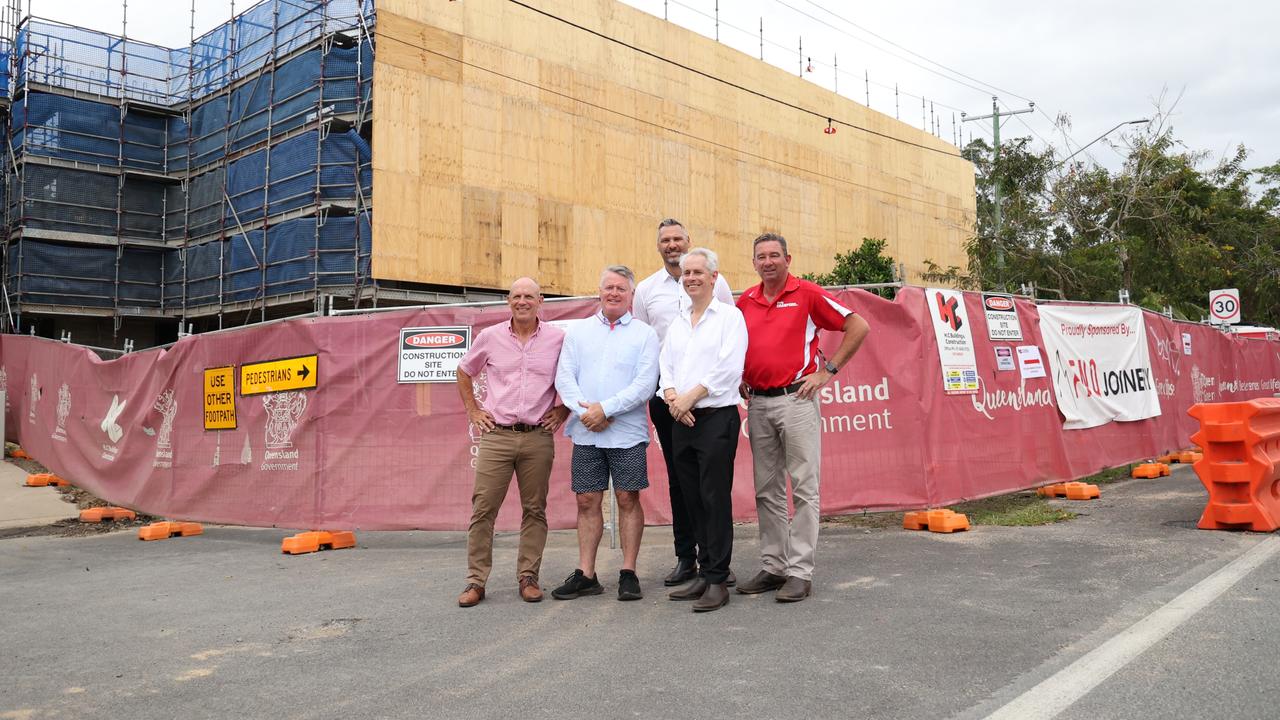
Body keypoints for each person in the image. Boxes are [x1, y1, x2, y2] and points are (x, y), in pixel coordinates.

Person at [736, 233, 870, 603]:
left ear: (787, 259)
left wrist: (828, 370)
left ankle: (800, 571)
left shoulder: (806, 293)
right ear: (754, 262)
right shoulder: (745, 301)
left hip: (796, 399)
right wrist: (741, 379)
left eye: (774, 255)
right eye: (761, 256)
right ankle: (773, 566)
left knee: (804, 488)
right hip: (758, 404)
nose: (768, 262)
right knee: (767, 490)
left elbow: (859, 326)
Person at [455, 277, 571, 608]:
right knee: (483, 509)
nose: (523, 301)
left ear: (541, 301)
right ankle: (476, 581)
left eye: (529, 296)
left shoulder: (558, 340)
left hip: (537, 437)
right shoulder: (490, 337)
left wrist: (562, 409)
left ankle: (528, 577)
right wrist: (474, 411)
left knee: (535, 509)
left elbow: (570, 377)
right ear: (508, 301)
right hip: (497, 436)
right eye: (517, 296)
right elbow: (464, 372)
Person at [633, 218, 735, 587]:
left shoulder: (715, 282)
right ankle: (685, 557)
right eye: (666, 240)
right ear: (658, 246)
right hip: (668, 397)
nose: (672, 245)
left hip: (709, 398)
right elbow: (647, 346)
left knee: (711, 483)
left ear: (689, 243)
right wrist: (672, 396)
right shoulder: (645, 290)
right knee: (681, 481)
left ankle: (716, 563)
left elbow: (725, 333)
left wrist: (693, 395)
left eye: (678, 239)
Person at [553, 265, 660, 602]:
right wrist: (588, 412)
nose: (614, 293)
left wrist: (606, 408)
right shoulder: (578, 332)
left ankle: (628, 572)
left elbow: (645, 383)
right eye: (609, 287)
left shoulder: (645, 334)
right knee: (586, 501)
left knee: (628, 498)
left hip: (626, 432)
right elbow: (564, 377)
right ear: (599, 292)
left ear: (631, 296)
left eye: (621, 289)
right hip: (586, 432)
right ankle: (586, 574)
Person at [658, 248, 747, 612]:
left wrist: (690, 397)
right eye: (686, 273)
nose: (691, 277)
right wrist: (673, 397)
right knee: (691, 499)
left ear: (714, 277)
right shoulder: (679, 323)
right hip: (683, 420)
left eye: (698, 272)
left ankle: (717, 579)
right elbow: (666, 366)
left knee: (713, 498)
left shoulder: (730, 317)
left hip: (714, 419)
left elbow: (729, 367)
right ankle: (702, 570)